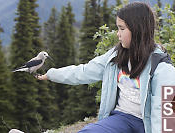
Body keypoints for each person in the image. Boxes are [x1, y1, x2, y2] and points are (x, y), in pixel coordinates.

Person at [36, 2, 175, 133]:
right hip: (122, 118)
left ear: (138, 30)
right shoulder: (115, 56)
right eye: (117, 28)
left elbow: (166, 116)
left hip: (148, 125)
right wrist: (52, 74)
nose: (117, 34)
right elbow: (84, 72)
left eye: (122, 28)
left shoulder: (162, 68)